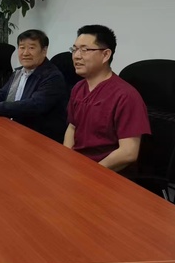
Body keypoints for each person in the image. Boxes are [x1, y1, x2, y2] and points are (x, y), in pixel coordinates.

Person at [63, 25, 150, 171]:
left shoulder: (126, 95)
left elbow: (128, 152)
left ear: (105, 55)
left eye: (84, 50)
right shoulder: (78, 88)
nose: (76, 56)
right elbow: (72, 127)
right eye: (74, 49)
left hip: (104, 172)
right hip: (77, 166)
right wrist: (65, 158)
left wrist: (93, 171)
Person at [0, 29, 68, 142]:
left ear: (44, 50)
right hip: (15, 130)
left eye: (31, 48)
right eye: (22, 47)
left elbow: (33, 105)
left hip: (40, 138)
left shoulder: (52, 77)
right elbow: (2, 94)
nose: (25, 53)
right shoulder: (19, 72)